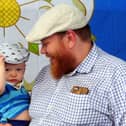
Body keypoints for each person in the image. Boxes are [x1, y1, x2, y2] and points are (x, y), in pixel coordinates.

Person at [26, 3, 126, 126]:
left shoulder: (117, 75)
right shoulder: (45, 74)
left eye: (46, 44)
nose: (42, 51)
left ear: (70, 38)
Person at [0, 43, 31, 126]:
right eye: (7, 70)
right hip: (8, 122)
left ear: (24, 70)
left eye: (18, 69)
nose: (13, 74)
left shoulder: (22, 89)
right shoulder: (3, 86)